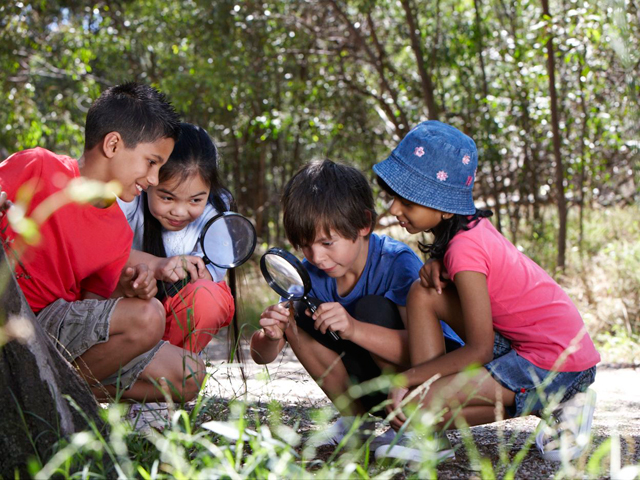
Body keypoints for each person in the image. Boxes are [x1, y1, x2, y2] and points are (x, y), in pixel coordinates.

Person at [372, 120, 600, 464]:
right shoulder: (466, 232)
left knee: (416, 405)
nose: (393, 210)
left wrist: (408, 379)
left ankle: (565, 403)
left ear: (445, 207)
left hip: (557, 362)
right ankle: (426, 431)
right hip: (527, 346)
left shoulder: (465, 251)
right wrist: (438, 263)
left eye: (408, 201)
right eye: (394, 198)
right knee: (423, 293)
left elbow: (479, 348)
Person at [0, 82, 205, 405]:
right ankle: (45, 400)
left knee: (189, 374)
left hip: (51, 332)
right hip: (11, 315)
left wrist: (130, 290)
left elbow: (90, 307)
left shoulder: (117, 233)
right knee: (149, 317)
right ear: (112, 144)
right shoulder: (38, 166)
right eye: (151, 162)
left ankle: (49, 398)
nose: (154, 179)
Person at [249, 159, 462, 449]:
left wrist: (354, 328)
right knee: (295, 317)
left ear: (363, 223)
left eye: (327, 243)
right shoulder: (307, 275)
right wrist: (271, 335)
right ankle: (356, 421)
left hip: (430, 375)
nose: (317, 257)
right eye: (305, 245)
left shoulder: (396, 263)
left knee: (370, 308)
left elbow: (425, 348)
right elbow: (262, 357)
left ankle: (418, 426)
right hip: (371, 381)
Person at [117, 122, 236, 354]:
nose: (180, 212)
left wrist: (199, 274)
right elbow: (100, 253)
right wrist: (157, 266)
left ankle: (175, 367)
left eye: (195, 200)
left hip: (176, 319)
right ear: (149, 181)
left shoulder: (217, 216)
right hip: (128, 310)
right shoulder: (128, 198)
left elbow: (210, 281)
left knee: (207, 296)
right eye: (167, 198)